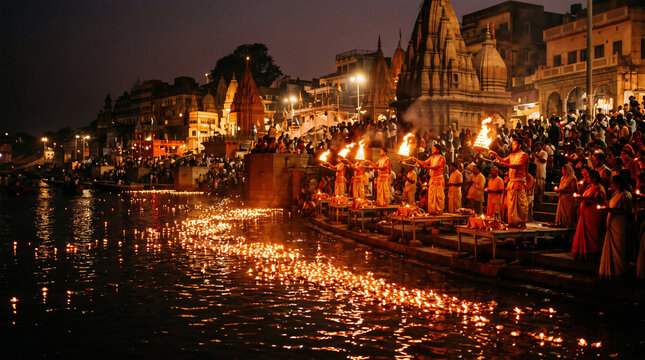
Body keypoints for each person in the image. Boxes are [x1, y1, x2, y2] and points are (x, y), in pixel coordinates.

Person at [599, 175, 634, 280]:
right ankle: (610, 271)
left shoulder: (626, 195)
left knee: (618, 248)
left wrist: (610, 210)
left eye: (612, 183)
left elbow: (627, 211)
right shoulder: (615, 194)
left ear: (618, 183)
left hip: (619, 223)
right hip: (612, 222)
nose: (611, 185)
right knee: (611, 247)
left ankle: (620, 272)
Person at [491, 138, 529, 227]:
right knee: (511, 205)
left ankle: (521, 222)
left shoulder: (523, 155)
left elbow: (518, 166)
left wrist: (505, 165)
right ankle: (513, 223)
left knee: (520, 205)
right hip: (512, 182)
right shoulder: (512, 155)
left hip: (519, 182)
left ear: (519, 146)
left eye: (514, 145)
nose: (512, 146)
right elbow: (504, 160)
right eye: (512, 145)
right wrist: (496, 156)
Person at [571, 170, 606, 261]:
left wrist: (582, 198)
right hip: (585, 213)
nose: (587, 178)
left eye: (588, 176)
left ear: (594, 178)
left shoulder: (599, 188)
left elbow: (599, 201)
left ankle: (593, 254)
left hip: (593, 214)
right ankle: (583, 253)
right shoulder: (589, 187)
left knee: (593, 235)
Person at [414, 144, 445, 214]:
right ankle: (432, 212)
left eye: (434, 149)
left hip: (438, 179)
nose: (432, 150)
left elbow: (437, 167)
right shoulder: (432, 157)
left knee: (438, 197)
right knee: (431, 197)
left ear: (438, 150)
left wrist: (427, 167)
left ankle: (439, 212)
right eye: (432, 149)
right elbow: (424, 162)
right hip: (432, 179)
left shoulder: (441, 158)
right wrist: (417, 160)